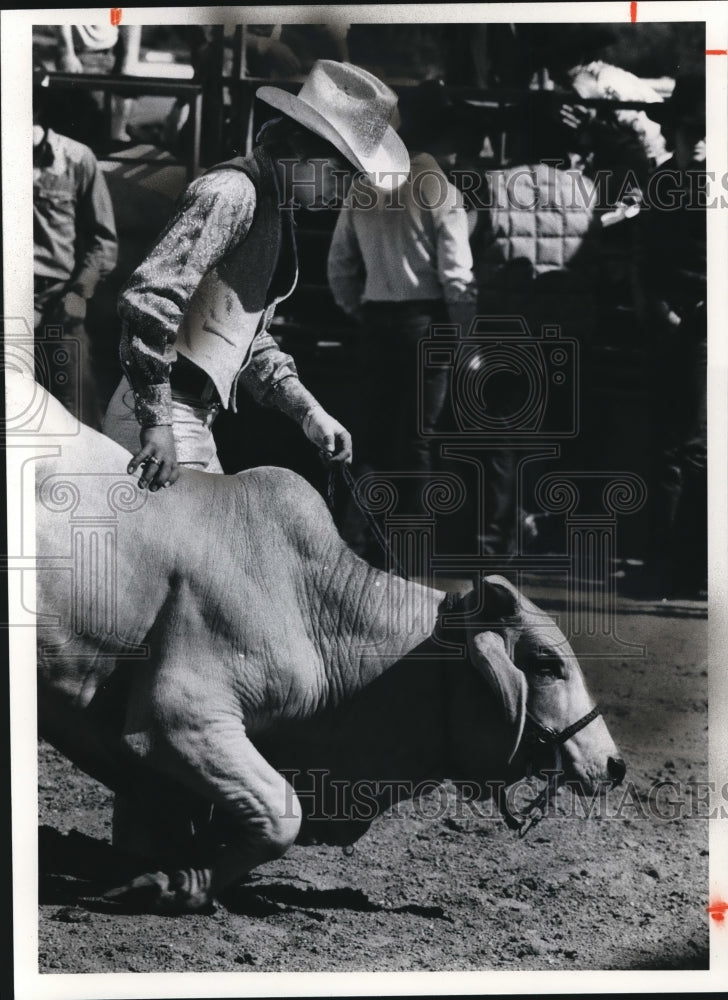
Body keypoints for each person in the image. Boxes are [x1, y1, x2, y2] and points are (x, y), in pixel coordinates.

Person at [102, 59, 409, 492]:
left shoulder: (271, 206)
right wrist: (156, 423)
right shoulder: (230, 194)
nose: (343, 194)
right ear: (302, 150)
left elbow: (238, 331)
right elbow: (149, 299)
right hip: (160, 420)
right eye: (340, 176)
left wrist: (308, 411)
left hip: (190, 420)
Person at [326, 81, 477, 564]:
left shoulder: (367, 182)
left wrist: (360, 308)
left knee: (368, 433)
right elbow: (457, 275)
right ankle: (405, 555)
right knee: (416, 439)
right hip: (425, 321)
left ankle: (352, 543)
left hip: (376, 319)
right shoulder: (441, 188)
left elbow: (339, 265)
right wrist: (465, 335)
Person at [634, 74, 707, 598]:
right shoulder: (663, 183)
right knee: (669, 446)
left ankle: (686, 566)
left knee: (694, 447)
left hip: (703, 322)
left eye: (703, 129)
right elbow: (645, 259)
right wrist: (659, 307)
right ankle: (667, 562)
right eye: (689, 129)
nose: (697, 139)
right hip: (672, 320)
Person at [33, 66, 119, 430]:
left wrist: (79, 293)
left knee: (78, 415)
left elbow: (103, 240)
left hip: (57, 301)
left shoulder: (77, 160)